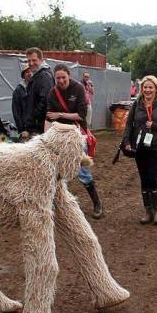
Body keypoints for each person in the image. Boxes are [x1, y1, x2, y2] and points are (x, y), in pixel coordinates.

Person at [46, 64, 103, 219]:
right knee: (55, 172)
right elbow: (49, 117)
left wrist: (60, 115)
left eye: (63, 77)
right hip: (59, 136)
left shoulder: (78, 88)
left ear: (69, 76)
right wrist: (45, 140)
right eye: (58, 78)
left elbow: (81, 115)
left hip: (77, 136)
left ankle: (97, 203)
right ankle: (55, 206)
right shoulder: (52, 92)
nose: (61, 80)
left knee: (82, 171)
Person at [122, 75, 157, 225]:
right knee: (144, 178)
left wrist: (156, 126)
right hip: (140, 147)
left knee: (152, 177)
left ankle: (156, 210)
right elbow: (129, 124)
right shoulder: (137, 104)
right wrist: (126, 141)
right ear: (141, 89)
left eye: (150, 87)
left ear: (156, 89)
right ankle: (148, 210)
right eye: (145, 87)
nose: (147, 90)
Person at [25, 47, 55, 134]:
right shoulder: (38, 75)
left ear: (41, 60)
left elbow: (45, 100)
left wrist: (34, 118)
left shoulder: (45, 76)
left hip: (40, 126)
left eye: (34, 60)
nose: (31, 63)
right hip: (38, 124)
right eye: (29, 61)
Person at [12, 61, 34, 140]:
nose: (30, 73)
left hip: (37, 128)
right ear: (23, 75)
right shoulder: (18, 90)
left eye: (31, 71)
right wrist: (22, 129)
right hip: (25, 130)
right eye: (27, 72)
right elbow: (16, 112)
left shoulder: (38, 87)